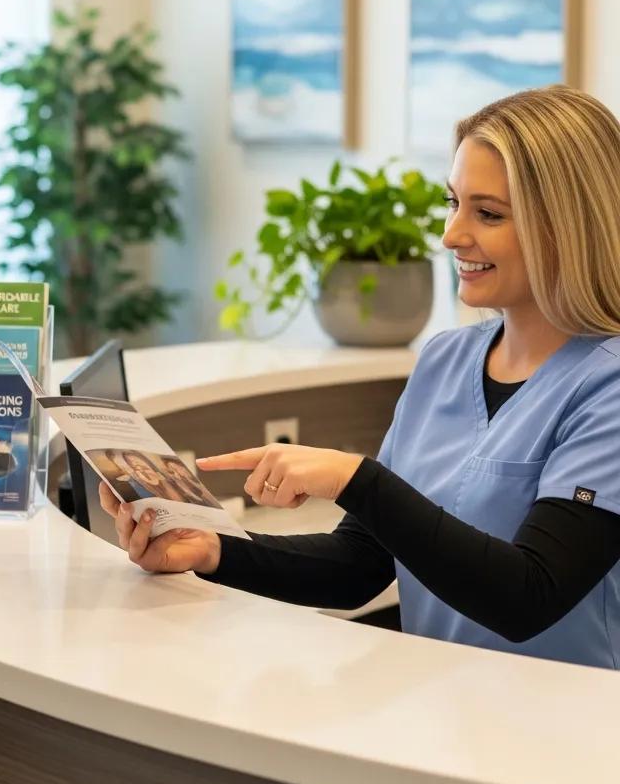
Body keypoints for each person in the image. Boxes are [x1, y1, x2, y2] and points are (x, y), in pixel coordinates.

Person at [101, 86, 620, 671]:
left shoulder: (608, 388)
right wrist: (214, 551)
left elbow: (529, 595)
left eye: (488, 213)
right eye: (453, 203)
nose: (451, 235)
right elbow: (360, 564)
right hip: (453, 713)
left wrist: (357, 480)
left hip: (572, 734)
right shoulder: (444, 362)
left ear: (567, 227)